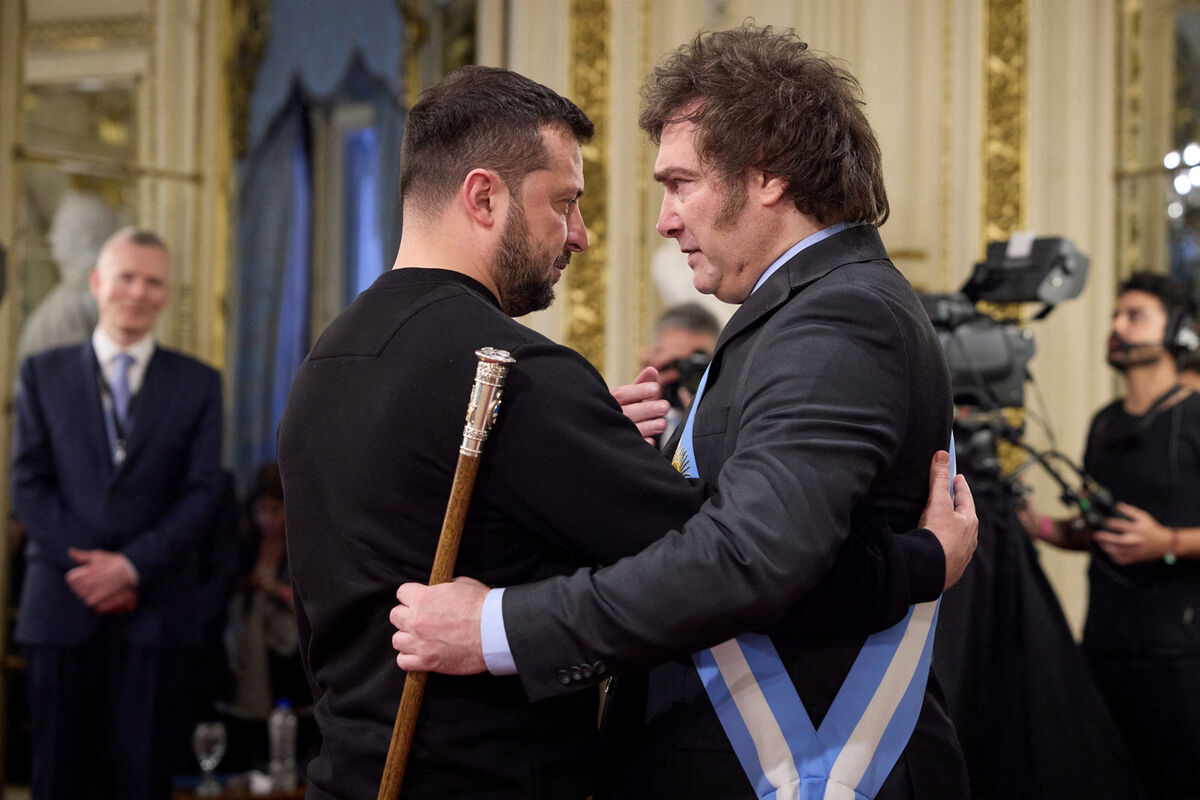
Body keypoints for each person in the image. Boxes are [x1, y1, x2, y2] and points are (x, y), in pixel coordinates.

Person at [278, 63, 975, 800]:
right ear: (483, 197)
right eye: (565, 203)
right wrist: (919, 562)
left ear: (767, 174)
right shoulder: (517, 376)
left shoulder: (322, 365)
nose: (593, 234)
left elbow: (744, 557)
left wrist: (505, 609)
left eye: (679, 184)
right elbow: (743, 559)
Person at [11, 227, 224, 800]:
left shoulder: (200, 384)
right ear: (96, 283)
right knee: (58, 780)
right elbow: (28, 484)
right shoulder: (41, 373)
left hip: (155, 612)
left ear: (166, 294)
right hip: (61, 607)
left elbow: (202, 493)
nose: (137, 292)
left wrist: (130, 567)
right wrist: (91, 571)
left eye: (152, 282)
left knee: (142, 780)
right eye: (126, 277)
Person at [1019, 271, 1200, 799]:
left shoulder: (1196, 416)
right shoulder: (1104, 423)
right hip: (1105, 645)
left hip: (1181, 654)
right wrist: (1040, 526)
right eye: (1116, 315)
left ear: (1179, 330)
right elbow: (1093, 531)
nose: (1117, 327)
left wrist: (1168, 543)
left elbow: (1161, 539)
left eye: (1135, 316)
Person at [219, 462, 313, 769]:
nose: (267, 519)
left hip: (288, 655)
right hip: (247, 654)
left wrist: (274, 589)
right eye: (261, 511)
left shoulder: (302, 547)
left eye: (274, 510)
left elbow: (310, 600)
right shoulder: (244, 545)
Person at [17, 190, 122, 360]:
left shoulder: (85, 299)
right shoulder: (73, 297)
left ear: (86, 237)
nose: (51, 237)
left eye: (60, 228)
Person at [639, 302, 720, 442]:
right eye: (676, 365)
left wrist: (706, 426)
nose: (684, 376)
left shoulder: (737, 423)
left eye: (696, 366)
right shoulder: (637, 428)